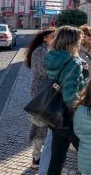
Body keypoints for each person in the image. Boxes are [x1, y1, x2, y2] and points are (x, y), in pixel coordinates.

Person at [40, 26, 87, 175]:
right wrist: (81, 110)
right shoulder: (72, 62)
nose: (80, 44)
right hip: (68, 115)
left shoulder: (51, 56)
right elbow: (69, 95)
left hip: (54, 112)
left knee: (58, 155)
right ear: (71, 42)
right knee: (88, 151)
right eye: (78, 41)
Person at [25, 28, 56, 169]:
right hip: (40, 91)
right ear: (44, 38)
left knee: (48, 122)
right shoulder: (39, 51)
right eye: (52, 36)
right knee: (39, 123)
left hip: (49, 90)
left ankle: (44, 155)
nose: (55, 38)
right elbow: (43, 71)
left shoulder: (51, 50)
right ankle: (36, 157)